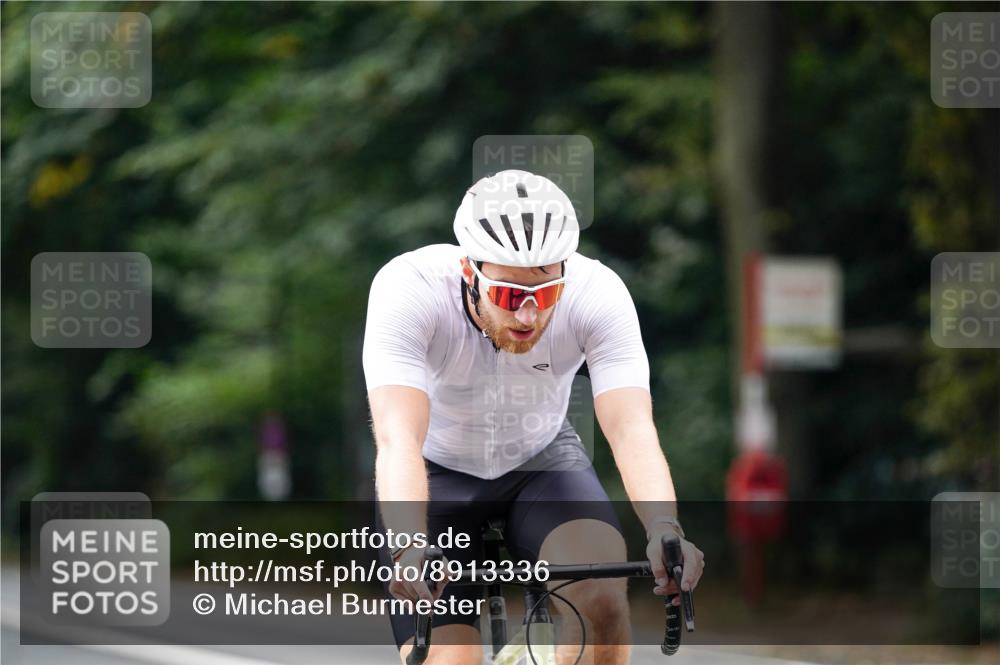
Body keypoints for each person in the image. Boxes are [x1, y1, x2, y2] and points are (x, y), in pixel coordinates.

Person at [363, 169, 704, 664]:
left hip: (543, 462)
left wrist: (663, 528)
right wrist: (408, 546)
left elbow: (631, 428)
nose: (527, 316)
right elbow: (397, 438)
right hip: (434, 475)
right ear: (468, 272)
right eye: (507, 295)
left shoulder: (597, 293)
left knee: (604, 605)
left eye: (545, 295)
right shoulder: (408, 288)